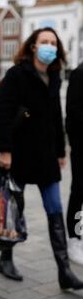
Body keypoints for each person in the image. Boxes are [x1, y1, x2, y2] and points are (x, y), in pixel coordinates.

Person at [0, 27, 83, 290]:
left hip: (45, 157)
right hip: (17, 155)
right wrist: (4, 150)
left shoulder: (54, 75)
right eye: (44, 41)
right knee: (13, 209)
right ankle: (5, 259)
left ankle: (64, 271)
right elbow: (1, 113)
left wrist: (60, 152)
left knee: (54, 209)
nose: (49, 46)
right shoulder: (17, 74)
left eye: (53, 43)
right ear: (33, 46)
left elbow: (55, 117)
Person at [66, 63, 83, 265]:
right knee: (79, 191)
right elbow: (73, 112)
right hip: (81, 148)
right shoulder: (79, 73)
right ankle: (74, 238)